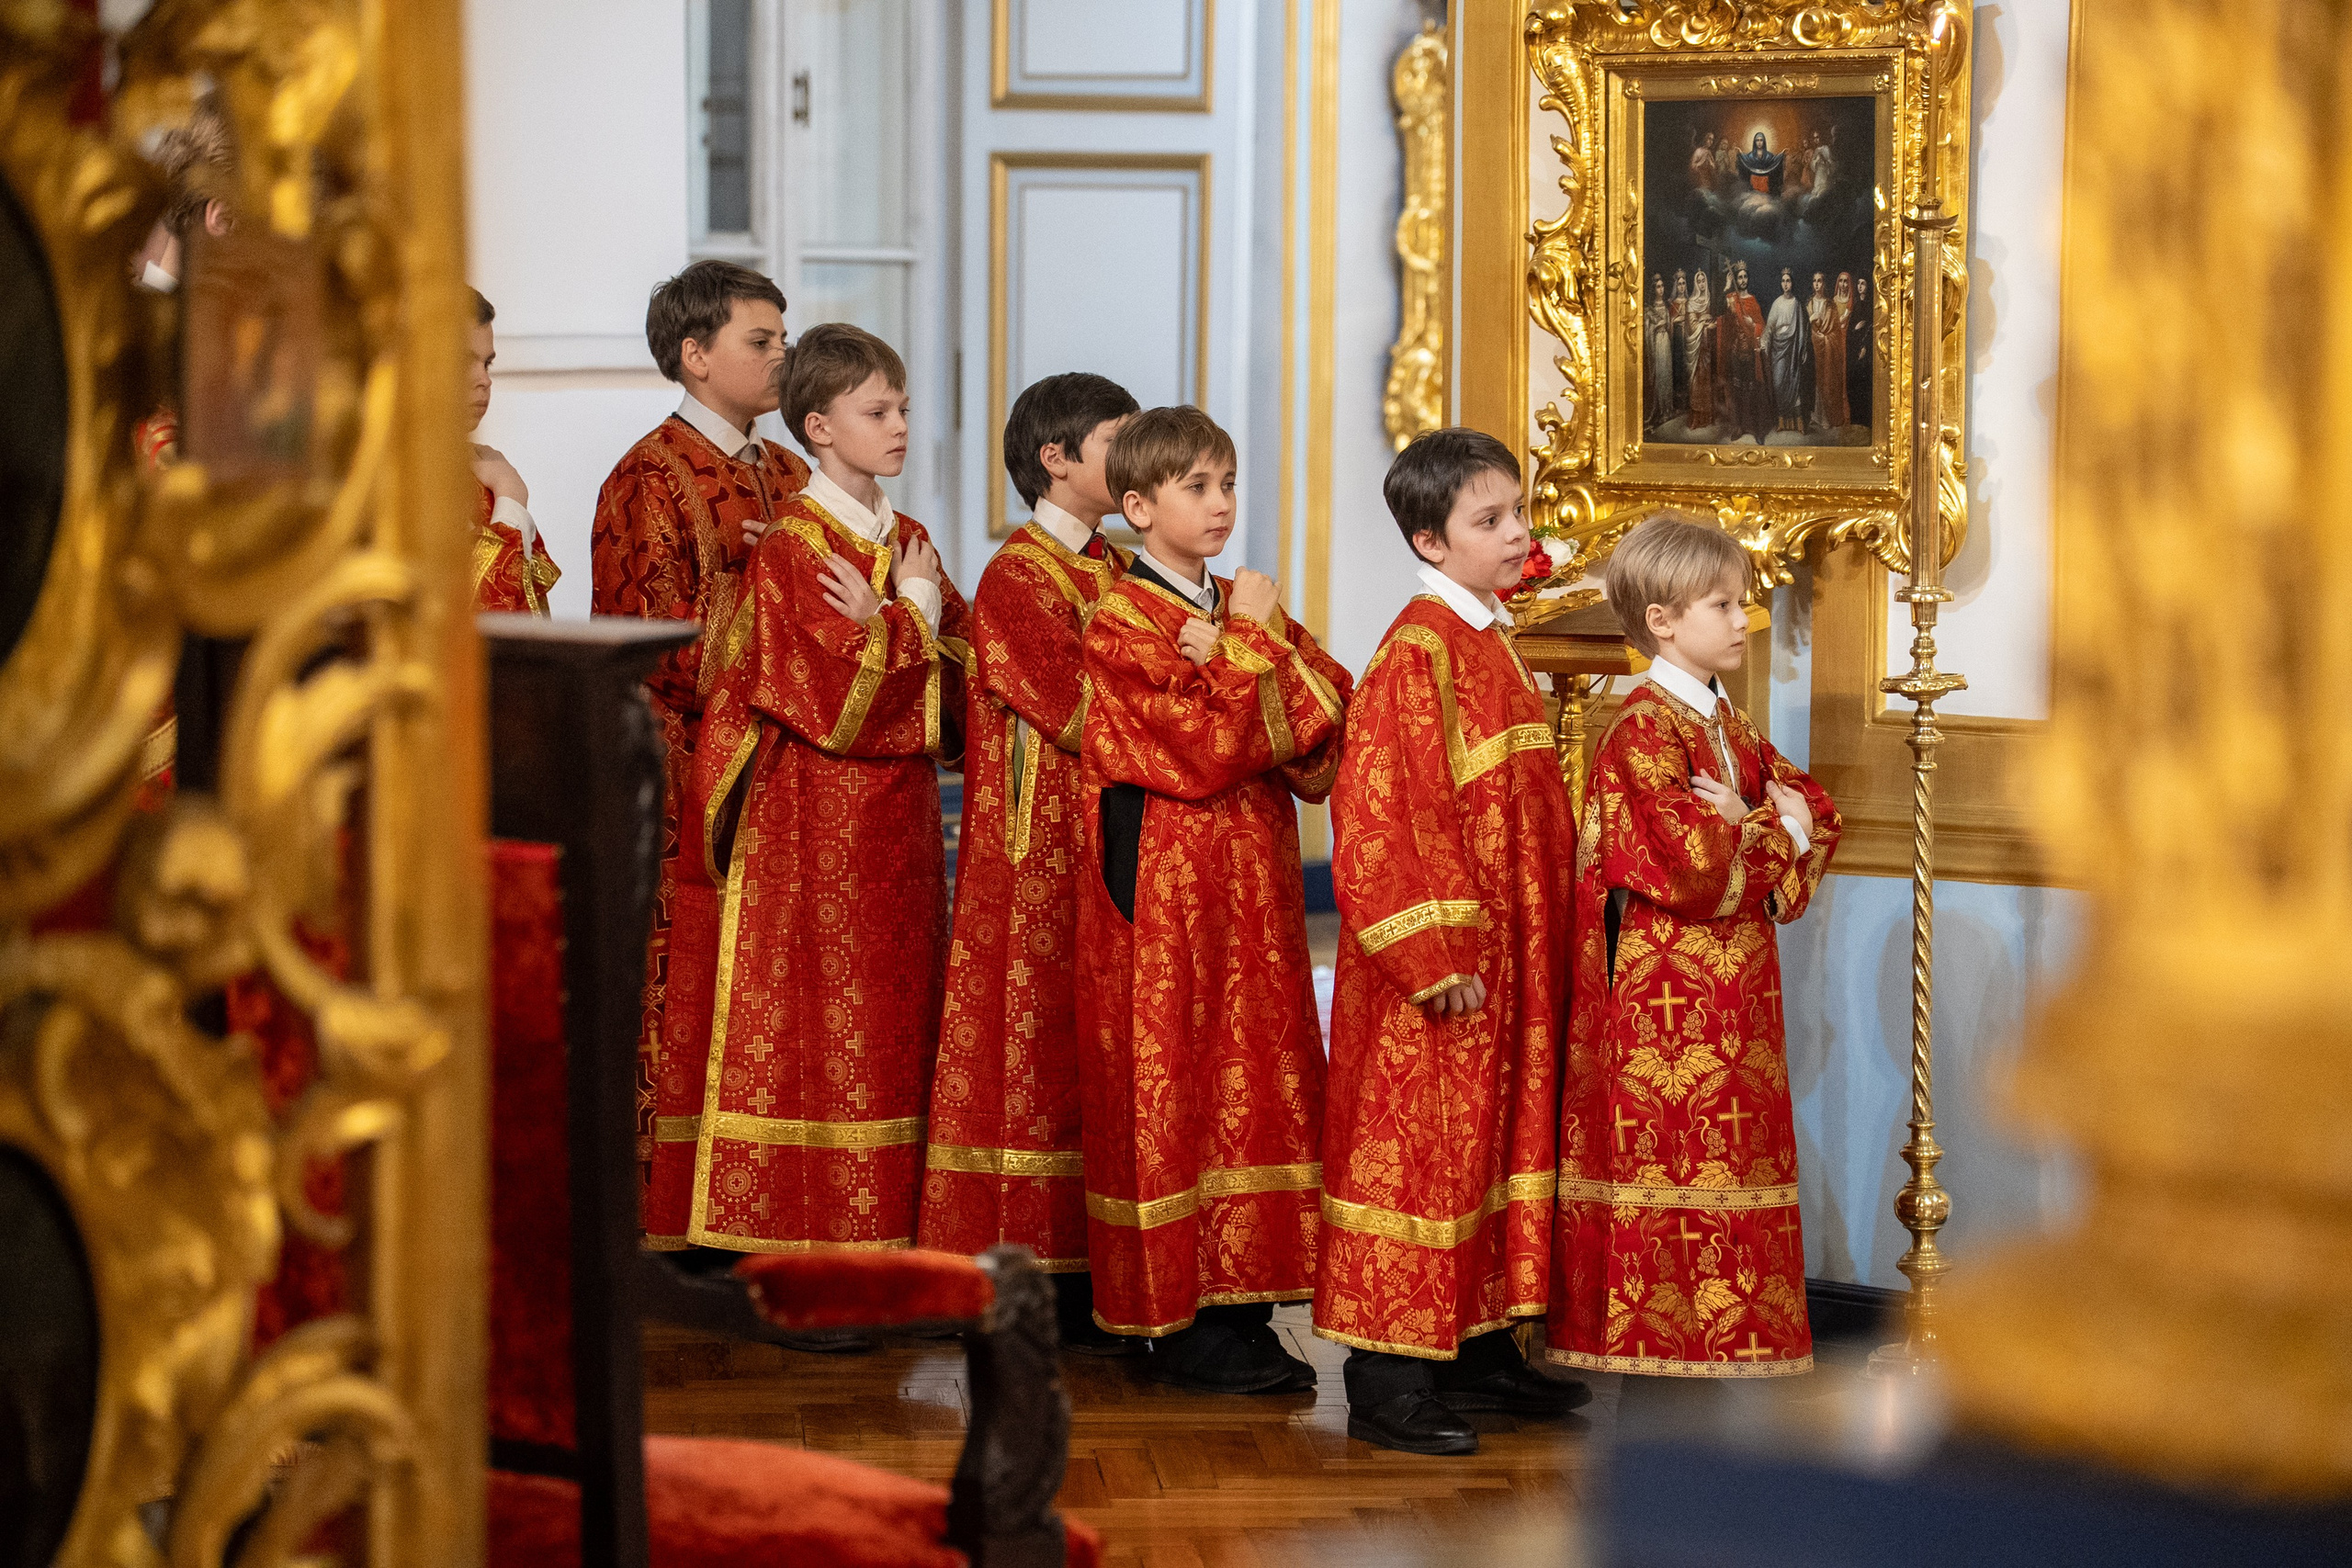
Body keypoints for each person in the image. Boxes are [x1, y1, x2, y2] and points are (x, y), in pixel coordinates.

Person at [674, 323, 968, 1298]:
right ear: (819, 426)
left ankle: (887, 1239)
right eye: (876, 412)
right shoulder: (801, 548)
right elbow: (841, 701)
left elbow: (959, 670)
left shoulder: (903, 539)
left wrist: (907, 616)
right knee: (825, 1023)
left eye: (902, 409)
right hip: (814, 826)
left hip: (900, 828)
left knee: (892, 1021)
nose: (898, 427)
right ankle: (807, 1244)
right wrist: (912, 616)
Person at [1315, 428, 1589, 1455]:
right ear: (1430, 542)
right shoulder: (1417, 651)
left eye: (1517, 513)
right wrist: (1434, 957)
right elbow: (1386, 814)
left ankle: (1476, 1348)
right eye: (1490, 521)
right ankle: (1389, 1382)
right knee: (1421, 1159)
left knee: (1488, 1153)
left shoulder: (1488, 639)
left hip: (1506, 964)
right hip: (1442, 975)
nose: (1518, 534)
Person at [1075, 405, 1352, 1391]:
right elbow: (1199, 750)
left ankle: (1240, 1303)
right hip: (1163, 887)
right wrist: (1248, 649)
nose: (1221, 505)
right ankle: (1171, 1323)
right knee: (1174, 1081)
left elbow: (1329, 719)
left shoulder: (1241, 603)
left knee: (1258, 1076)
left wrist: (1244, 650)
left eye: (1228, 483)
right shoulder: (1119, 617)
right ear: (1139, 507)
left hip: (1256, 880)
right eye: (1196, 487)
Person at [1547, 513, 1839, 1381]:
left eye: (1741, 598)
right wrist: (1765, 822)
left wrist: (1760, 819)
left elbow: (1816, 809)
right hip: (1664, 995)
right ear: (1664, 619)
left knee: (1729, 1153)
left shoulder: (1728, 727)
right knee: (1674, 1158)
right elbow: (1691, 863)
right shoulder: (1643, 729)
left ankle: (1726, 1346)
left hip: (1736, 987)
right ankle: (1661, 1350)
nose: (1742, 615)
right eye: (1722, 602)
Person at [918, 371, 1140, 1356]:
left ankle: (1095, 1255)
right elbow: (1080, 708)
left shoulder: (1116, 567)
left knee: (1094, 1040)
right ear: (1056, 459)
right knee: (1031, 1036)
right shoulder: (1020, 576)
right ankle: (1026, 1269)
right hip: (1034, 848)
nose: (1131, 463)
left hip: (1105, 828)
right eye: (1115, 443)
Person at [590, 261, 810, 1247]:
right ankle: (677, 1223)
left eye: (782, 339)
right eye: (761, 341)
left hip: (790, 777)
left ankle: (762, 1198)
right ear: (695, 353)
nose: (781, 358)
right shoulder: (650, 476)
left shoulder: (788, 471)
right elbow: (654, 645)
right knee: (689, 992)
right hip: (688, 780)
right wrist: (774, 588)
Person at [466, 289, 560, 615]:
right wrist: (510, 498)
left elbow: (531, 615)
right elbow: (474, 616)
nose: (484, 380)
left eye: (487, 364)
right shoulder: (399, 478)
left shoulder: (482, 467)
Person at [1765, 266, 1811, 434]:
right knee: (1778, 384)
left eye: (1788, 281)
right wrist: (1764, 343)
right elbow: (1770, 327)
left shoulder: (1797, 304)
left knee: (1794, 383)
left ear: (1792, 283)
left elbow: (1803, 331)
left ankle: (1799, 424)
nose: (1786, 284)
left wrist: (1803, 349)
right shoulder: (1777, 303)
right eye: (1783, 281)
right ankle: (1782, 421)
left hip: (1793, 349)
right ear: (1780, 283)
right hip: (1778, 348)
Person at [1812, 273, 1851, 434]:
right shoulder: (1812, 304)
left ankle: (1830, 417)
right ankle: (1818, 416)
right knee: (1817, 381)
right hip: (1815, 347)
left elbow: (1834, 330)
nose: (1816, 284)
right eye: (1814, 281)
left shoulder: (1830, 305)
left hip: (1831, 348)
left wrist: (1824, 337)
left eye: (1819, 281)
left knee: (1830, 380)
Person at [1683, 266, 1716, 433]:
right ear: (1695, 283)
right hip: (1696, 349)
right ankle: (1696, 419)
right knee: (1697, 383)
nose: (1702, 284)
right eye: (1699, 281)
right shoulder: (1691, 303)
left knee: (1707, 382)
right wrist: (1705, 324)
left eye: (1704, 280)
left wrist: (1708, 324)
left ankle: (1707, 417)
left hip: (1707, 347)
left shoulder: (1709, 300)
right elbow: (1691, 327)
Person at [1645, 276, 1676, 431]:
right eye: (1658, 286)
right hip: (1657, 342)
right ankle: (1660, 410)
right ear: (1654, 289)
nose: (1661, 289)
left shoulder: (1665, 305)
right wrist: (1656, 326)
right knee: (1660, 373)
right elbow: (1647, 330)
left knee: (1667, 373)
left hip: (1666, 342)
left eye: (1662, 286)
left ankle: (1668, 410)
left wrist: (1668, 323)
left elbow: (1670, 325)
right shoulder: (1649, 309)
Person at [1849, 276, 1874, 428]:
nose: (1860, 286)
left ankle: (1864, 421)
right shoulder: (1857, 304)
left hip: (1865, 350)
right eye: (1858, 283)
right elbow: (1853, 329)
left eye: (1863, 283)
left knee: (1864, 385)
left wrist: (1865, 346)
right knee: (1854, 384)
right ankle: (1856, 419)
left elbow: (1871, 328)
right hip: (1854, 348)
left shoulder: (1870, 305)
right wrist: (1855, 329)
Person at [1737, 130, 1786, 197]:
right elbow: (1746, 161)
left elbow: (1774, 161)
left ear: (1764, 142)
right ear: (1755, 142)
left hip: (1765, 181)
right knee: (1754, 198)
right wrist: (1740, 153)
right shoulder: (1751, 155)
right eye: (1757, 140)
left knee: (1764, 200)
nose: (1759, 142)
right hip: (1754, 180)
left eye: (1761, 140)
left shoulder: (1769, 155)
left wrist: (1782, 154)